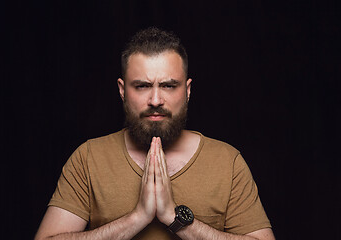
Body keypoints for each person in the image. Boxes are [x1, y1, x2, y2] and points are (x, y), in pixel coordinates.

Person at [35, 27, 275, 240]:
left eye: (169, 86)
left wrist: (174, 217)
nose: (156, 100)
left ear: (188, 90)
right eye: (142, 86)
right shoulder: (88, 158)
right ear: (122, 90)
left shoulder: (227, 161)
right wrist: (137, 217)